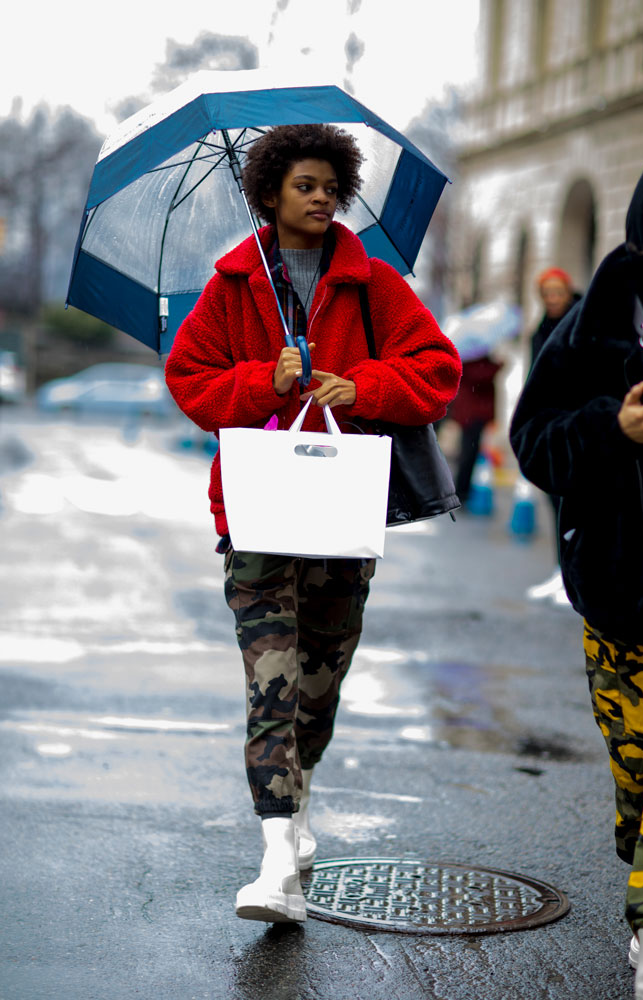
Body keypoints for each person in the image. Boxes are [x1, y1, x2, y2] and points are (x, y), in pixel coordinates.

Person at [164, 124, 461, 925]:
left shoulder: (376, 285)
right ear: (267, 194)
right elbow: (189, 380)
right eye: (305, 184)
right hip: (258, 518)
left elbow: (437, 370)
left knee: (319, 683)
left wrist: (359, 388)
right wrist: (265, 379)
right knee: (272, 685)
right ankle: (273, 861)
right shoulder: (231, 286)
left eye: (332, 184)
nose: (323, 196)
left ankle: (297, 811)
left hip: (341, 512)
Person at [510, 146, 643, 1000]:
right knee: (640, 775)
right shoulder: (608, 307)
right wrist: (615, 430)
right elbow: (535, 439)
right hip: (625, 592)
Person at [524, 267, 580, 605]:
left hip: (577, 425)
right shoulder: (540, 330)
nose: (553, 299)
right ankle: (562, 571)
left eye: (558, 292)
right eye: (547, 293)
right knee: (553, 499)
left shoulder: (584, 322)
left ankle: (574, 575)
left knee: (573, 502)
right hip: (550, 427)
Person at [446, 354, 503, 506]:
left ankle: (463, 492)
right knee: (468, 454)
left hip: (474, 413)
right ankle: (461, 493)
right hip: (472, 414)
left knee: (471, 453)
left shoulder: (479, 354)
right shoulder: (471, 356)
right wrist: (497, 366)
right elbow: (479, 375)